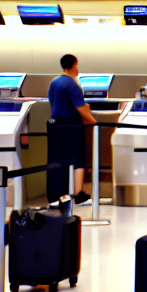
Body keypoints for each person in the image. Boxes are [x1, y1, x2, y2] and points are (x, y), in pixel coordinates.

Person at [46, 54, 96, 204]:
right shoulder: (72, 84)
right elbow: (81, 108)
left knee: (58, 160)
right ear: (74, 65)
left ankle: (58, 194)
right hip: (72, 126)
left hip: (55, 126)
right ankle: (78, 194)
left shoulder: (54, 82)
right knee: (78, 160)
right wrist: (94, 122)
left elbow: (53, 102)